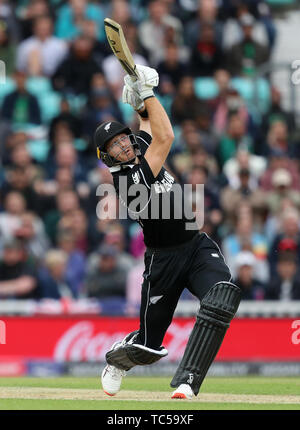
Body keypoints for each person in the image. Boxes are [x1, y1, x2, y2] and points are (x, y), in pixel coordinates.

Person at [94, 64, 241, 399]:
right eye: (114, 147)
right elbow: (166, 136)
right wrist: (146, 91)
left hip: (197, 246)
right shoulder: (129, 182)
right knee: (149, 347)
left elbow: (148, 125)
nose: (123, 147)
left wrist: (139, 105)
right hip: (164, 262)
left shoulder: (140, 148)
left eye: (123, 139)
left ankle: (189, 381)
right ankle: (118, 360)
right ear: (106, 157)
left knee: (221, 296)